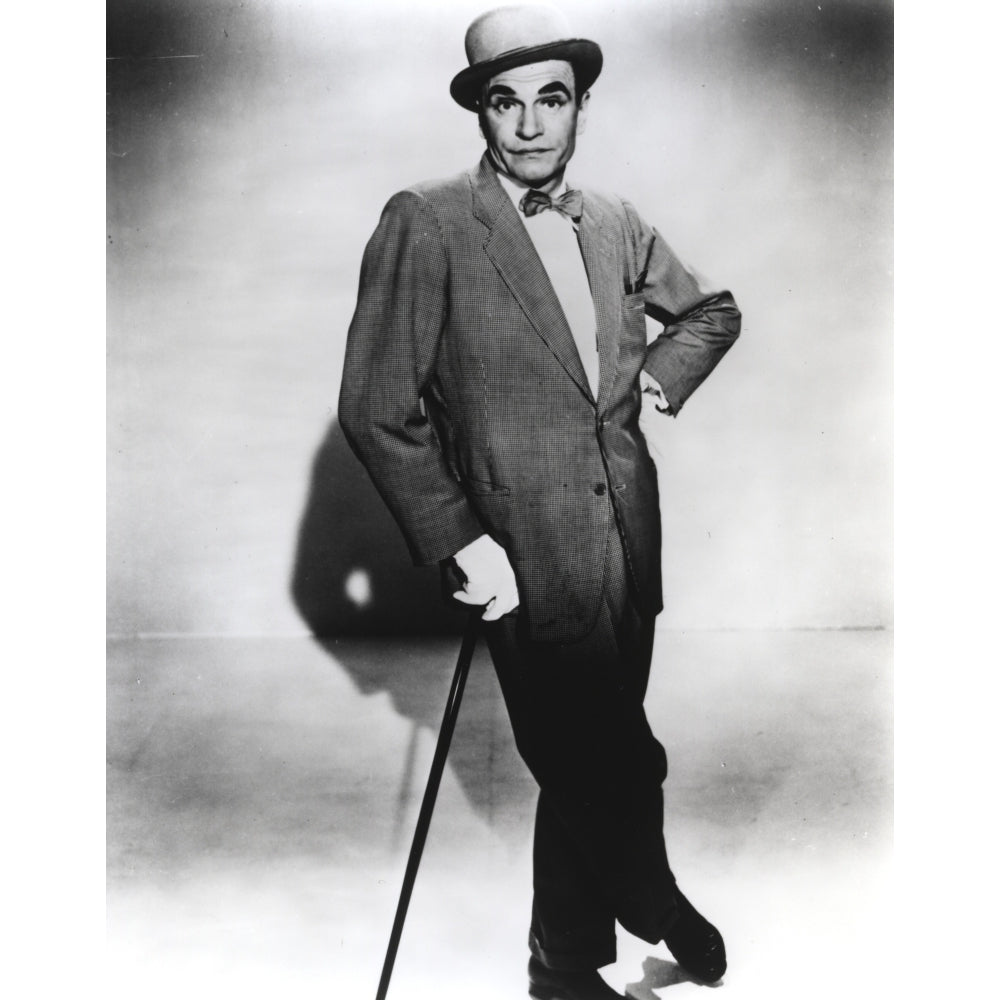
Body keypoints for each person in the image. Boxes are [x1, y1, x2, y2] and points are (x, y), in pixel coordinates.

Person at [339, 6, 741, 998]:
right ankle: (652, 897)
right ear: (480, 111)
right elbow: (377, 408)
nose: (528, 125)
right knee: (613, 758)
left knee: (586, 756)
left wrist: (658, 371)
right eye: (505, 102)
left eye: (550, 99)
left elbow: (709, 309)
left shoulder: (612, 219)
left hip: (624, 540)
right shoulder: (425, 221)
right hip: (516, 556)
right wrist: (457, 537)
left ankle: (562, 965)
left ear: (580, 107)